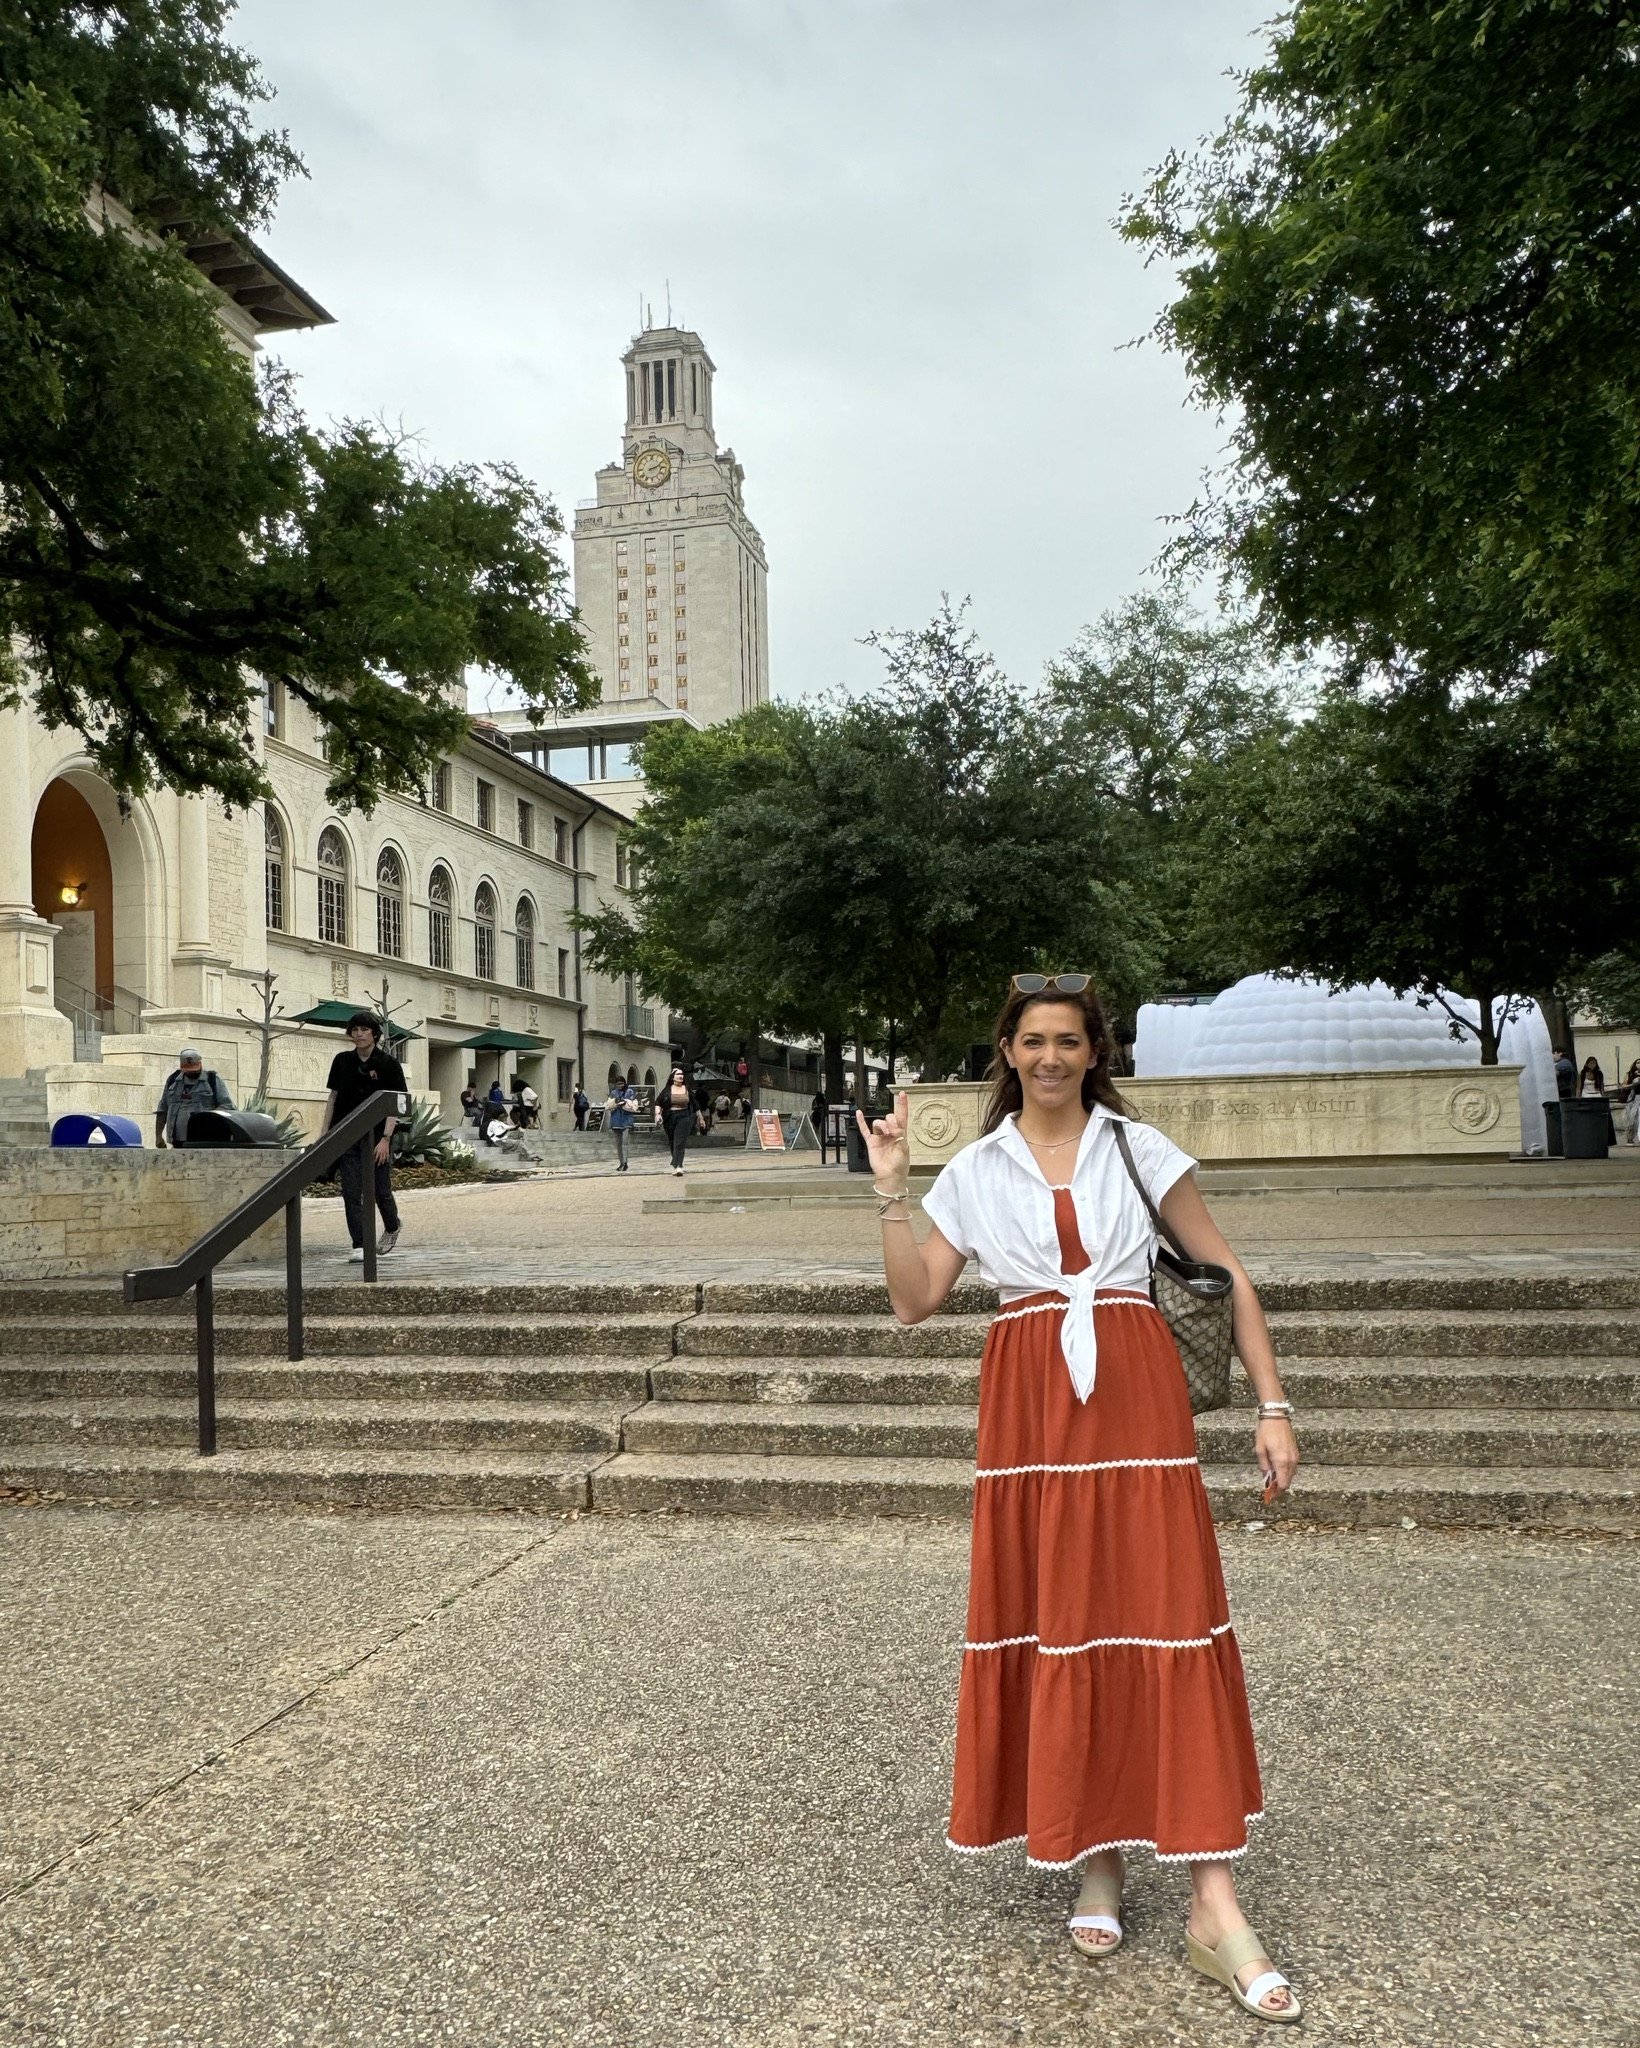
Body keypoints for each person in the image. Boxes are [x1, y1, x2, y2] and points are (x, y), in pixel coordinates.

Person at [859, 974, 1302, 2024]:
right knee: (1065, 1620)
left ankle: (1212, 1904)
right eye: (1031, 1041)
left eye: (1068, 1040)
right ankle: (1095, 1858)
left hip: (1134, 1402)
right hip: (1028, 1409)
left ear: (1093, 1051)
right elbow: (916, 1298)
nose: (1050, 1056)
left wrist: (1273, 1404)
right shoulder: (972, 1166)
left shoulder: (1137, 1151)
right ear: (1005, 1052)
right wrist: (889, 1187)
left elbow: (1224, 1268)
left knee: (1164, 1624)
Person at [319, 1013, 406, 1263]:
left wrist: (386, 1139)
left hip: (378, 1135)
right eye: (354, 1029)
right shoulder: (342, 1061)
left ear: (374, 1034)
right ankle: (360, 1244)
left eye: (364, 1030)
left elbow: (395, 1105)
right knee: (351, 1191)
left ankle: (392, 1225)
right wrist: (325, 1134)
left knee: (380, 1191)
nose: (359, 1034)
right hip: (347, 1134)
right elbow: (333, 1098)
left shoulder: (388, 1064)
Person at [154, 1047, 233, 1148]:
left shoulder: (212, 1080)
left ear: (200, 1063)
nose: (192, 1072)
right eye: (188, 1070)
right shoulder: (173, 1081)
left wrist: (208, 1118)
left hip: (205, 1140)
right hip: (178, 1140)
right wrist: (158, 1136)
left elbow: (227, 1106)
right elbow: (163, 1109)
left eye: (194, 1069)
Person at [658, 1066, 693, 1175]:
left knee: (679, 1141)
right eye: (678, 1074)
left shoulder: (686, 1089)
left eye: (682, 1074)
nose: (680, 1076)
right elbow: (658, 1103)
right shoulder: (667, 1090)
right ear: (673, 1077)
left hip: (684, 1116)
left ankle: (679, 1165)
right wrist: (657, 1114)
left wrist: (700, 1118)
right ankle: (675, 1162)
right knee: (672, 1141)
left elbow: (694, 1104)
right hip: (670, 1116)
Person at [606, 1078, 638, 1171]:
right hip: (616, 1120)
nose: (620, 1086)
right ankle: (621, 1162)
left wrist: (625, 1102)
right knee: (618, 1143)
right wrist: (615, 1102)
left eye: (621, 1083)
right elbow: (608, 1106)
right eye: (618, 1084)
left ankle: (625, 1162)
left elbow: (634, 1106)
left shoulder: (630, 1092)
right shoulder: (613, 1093)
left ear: (625, 1083)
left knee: (624, 1143)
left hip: (626, 1120)